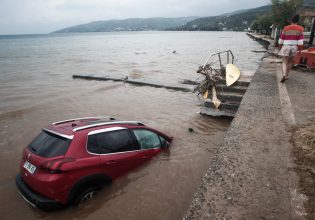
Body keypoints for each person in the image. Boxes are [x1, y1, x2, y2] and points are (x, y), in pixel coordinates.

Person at [278, 14, 304, 83]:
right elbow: (300, 42)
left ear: (291, 21)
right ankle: (286, 75)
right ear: (297, 21)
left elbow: (281, 40)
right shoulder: (300, 29)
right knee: (289, 62)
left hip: (286, 46)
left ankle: (283, 74)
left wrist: (280, 47)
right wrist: (300, 50)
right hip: (294, 47)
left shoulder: (286, 28)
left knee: (284, 61)